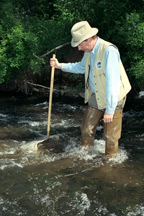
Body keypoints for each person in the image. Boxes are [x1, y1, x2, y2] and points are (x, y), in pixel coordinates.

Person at [50, 21, 131, 157]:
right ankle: (86, 156)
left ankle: (109, 165)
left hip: (114, 97)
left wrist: (109, 110)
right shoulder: (89, 51)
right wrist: (60, 66)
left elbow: (113, 83)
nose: (79, 49)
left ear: (88, 39)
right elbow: (81, 67)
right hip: (96, 94)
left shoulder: (109, 51)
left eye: (80, 44)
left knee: (110, 137)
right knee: (86, 129)